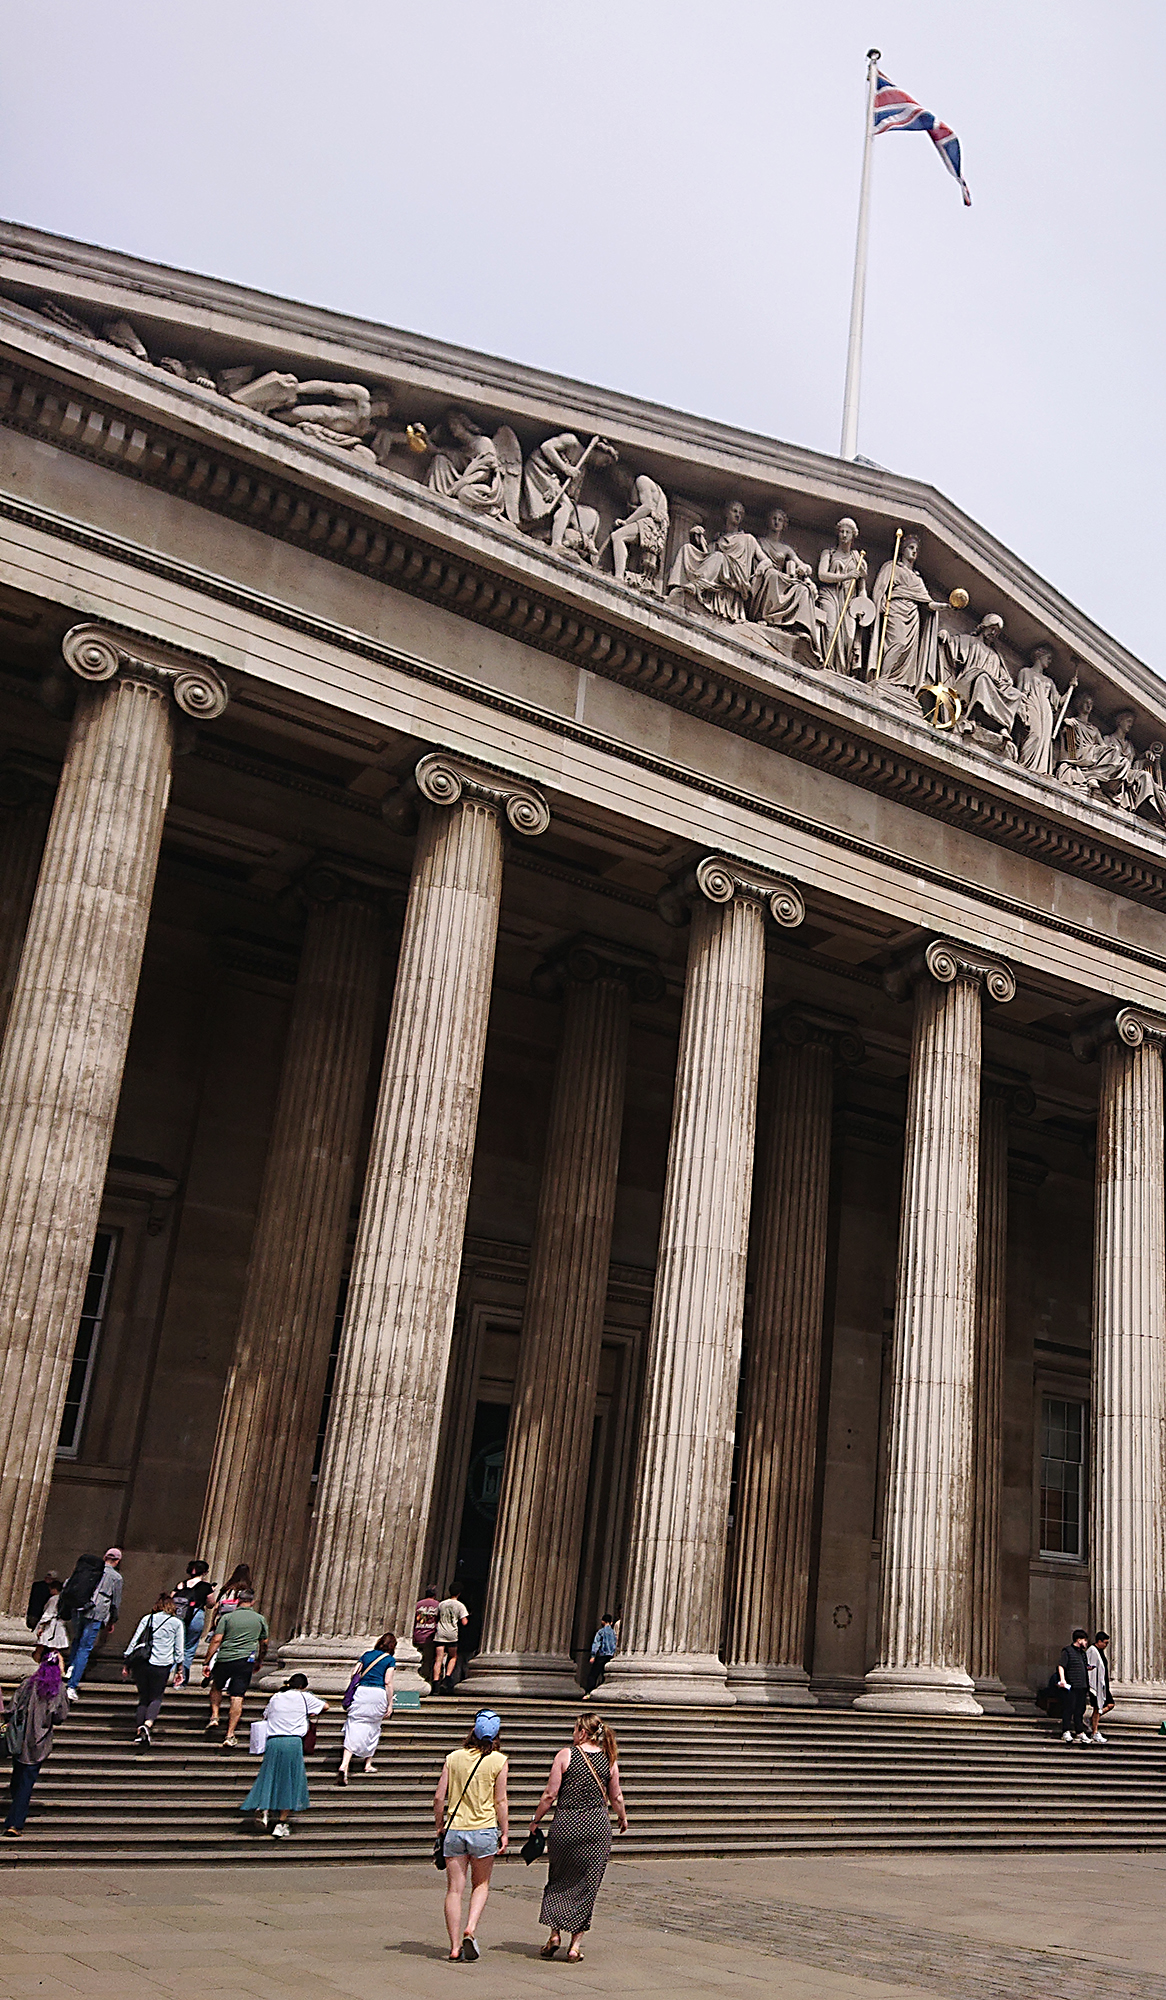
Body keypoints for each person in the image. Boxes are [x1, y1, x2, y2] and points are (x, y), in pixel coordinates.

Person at [530, 1713, 628, 1961]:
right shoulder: (609, 1760)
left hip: (566, 1825)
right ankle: (574, 1946)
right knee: (588, 1884)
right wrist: (623, 1818)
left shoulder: (565, 1755)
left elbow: (550, 1794)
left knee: (558, 1877)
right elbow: (616, 1797)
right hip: (596, 1828)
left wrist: (536, 1819)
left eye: (575, 1729)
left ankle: (554, 1935)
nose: (573, 1734)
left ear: (582, 1732)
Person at [433, 1709, 509, 1963]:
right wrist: (505, 1831)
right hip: (484, 1829)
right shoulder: (499, 1761)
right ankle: (471, 1928)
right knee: (481, 1884)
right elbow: (500, 1800)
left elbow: (438, 1797)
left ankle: (454, 1946)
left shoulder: (453, 1758)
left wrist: (439, 1826)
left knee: (454, 1890)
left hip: (455, 1829)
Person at [241, 1673, 327, 1839]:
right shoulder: (305, 1697)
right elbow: (326, 1706)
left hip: (273, 1741)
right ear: (303, 1686)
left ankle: (264, 1808)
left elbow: (265, 1715)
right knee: (290, 1782)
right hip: (293, 1742)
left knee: (269, 1777)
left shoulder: (276, 1697)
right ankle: (281, 1823)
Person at [3, 1648, 69, 1838]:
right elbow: (59, 1716)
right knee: (26, 1782)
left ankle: (15, 1813)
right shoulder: (57, 1690)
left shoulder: (27, 1684)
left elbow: (12, 1707)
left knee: (18, 1778)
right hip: (38, 1742)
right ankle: (15, 1823)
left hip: (20, 1739)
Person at [202, 1587, 269, 1748]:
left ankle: (215, 1716)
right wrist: (260, 1659)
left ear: (238, 1600)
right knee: (237, 1695)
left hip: (225, 1657)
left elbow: (217, 1640)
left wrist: (206, 1661)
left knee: (216, 1686)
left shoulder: (227, 1618)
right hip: (245, 1660)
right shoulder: (259, 1619)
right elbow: (264, 1642)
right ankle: (230, 1733)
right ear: (252, 1601)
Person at [749, 505, 820, 650]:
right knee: (773, 575)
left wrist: (805, 570)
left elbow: (803, 565)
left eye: (780, 520)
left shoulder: (786, 549)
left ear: (784, 525)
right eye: (774, 519)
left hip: (782, 579)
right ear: (768, 521)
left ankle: (800, 627)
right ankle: (766, 616)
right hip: (765, 576)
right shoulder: (760, 542)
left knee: (802, 589)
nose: (776, 522)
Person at [122, 1592, 185, 1751]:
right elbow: (179, 1649)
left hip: (142, 1663)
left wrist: (127, 1662)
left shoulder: (147, 1618)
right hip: (162, 1664)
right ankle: (148, 1723)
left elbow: (135, 1641)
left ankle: (139, 1729)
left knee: (143, 1698)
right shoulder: (176, 1623)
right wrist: (180, 1669)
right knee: (156, 1696)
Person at [337, 1631, 396, 1784]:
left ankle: (344, 1765)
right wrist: (390, 1703)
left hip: (361, 1692)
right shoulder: (389, 1660)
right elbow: (388, 1682)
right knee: (374, 1727)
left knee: (353, 1725)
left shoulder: (367, 1655)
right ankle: (367, 1763)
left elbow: (354, 1673)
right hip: (377, 1695)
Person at [65, 1548, 123, 1702]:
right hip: (97, 1613)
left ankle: (71, 1667)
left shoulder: (89, 1569)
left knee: (77, 1640)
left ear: (104, 1557)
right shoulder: (116, 1577)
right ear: (117, 1561)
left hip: (80, 1608)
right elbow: (115, 1602)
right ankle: (72, 1686)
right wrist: (112, 1620)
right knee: (85, 1648)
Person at [172, 1560, 215, 1688]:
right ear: (205, 1572)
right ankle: (182, 1679)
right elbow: (211, 1603)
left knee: (176, 1646)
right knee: (189, 1649)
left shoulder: (181, 1584)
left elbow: (172, 1597)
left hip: (179, 1616)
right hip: (196, 1615)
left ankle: (170, 1676)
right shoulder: (206, 1586)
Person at [1056, 1627, 1091, 1744]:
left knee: (1080, 1709)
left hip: (1082, 1685)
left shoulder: (1082, 1654)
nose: (1086, 1643)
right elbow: (1061, 1665)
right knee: (1069, 1708)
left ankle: (1079, 1731)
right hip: (1071, 1685)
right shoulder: (1067, 1651)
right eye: (1084, 1640)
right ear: (1079, 1639)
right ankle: (1066, 1730)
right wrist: (1063, 1680)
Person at [433, 1587, 470, 1689]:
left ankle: (435, 1682)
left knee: (438, 1659)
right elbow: (464, 1622)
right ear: (459, 1593)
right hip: (452, 1634)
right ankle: (447, 1677)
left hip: (440, 1633)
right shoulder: (460, 1605)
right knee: (453, 1656)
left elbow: (436, 1617)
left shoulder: (442, 1604)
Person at [1086, 1630, 1113, 1744]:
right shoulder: (1092, 1651)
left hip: (1103, 1684)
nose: (1106, 1645)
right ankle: (1094, 1731)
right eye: (1105, 1643)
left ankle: (1093, 1720)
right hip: (1096, 1684)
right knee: (1098, 1707)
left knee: (1109, 1704)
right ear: (1099, 1641)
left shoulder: (1100, 1652)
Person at [414, 1583, 441, 1687]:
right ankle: (423, 1680)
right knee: (427, 1661)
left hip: (417, 1635)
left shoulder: (418, 1604)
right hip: (430, 1636)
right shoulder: (438, 1605)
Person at [583, 1615, 617, 1696]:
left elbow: (596, 1644)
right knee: (605, 1675)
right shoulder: (613, 1633)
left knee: (593, 1674)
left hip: (602, 1655)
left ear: (603, 1621)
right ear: (611, 1622)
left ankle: (589, 1691)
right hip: (610, 1656)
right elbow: (615, 1644)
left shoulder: (601, 1632)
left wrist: (593, 1655)